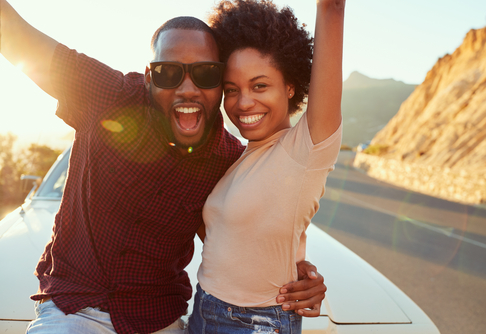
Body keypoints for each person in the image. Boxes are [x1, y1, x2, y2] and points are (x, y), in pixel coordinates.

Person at [0, 1, 327, 333]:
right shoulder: (108, 97)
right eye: (168, 73)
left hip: (158, 316)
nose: (187, 89)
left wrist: (300, 273)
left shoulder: (228, 161)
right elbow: (13, 33)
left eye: (205, 73)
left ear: (220, 82)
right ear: (148, 78)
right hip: (74, 310)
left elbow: (239, 236)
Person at [187, 0, 344, 333]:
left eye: (260, 86)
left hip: (254, 324)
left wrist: (329, 9)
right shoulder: (238, 158)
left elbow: (332, 10)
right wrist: (297, 265)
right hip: (203, 310)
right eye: (232, 90)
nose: (243, 103)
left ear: (290, 86)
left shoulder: (306, 149)